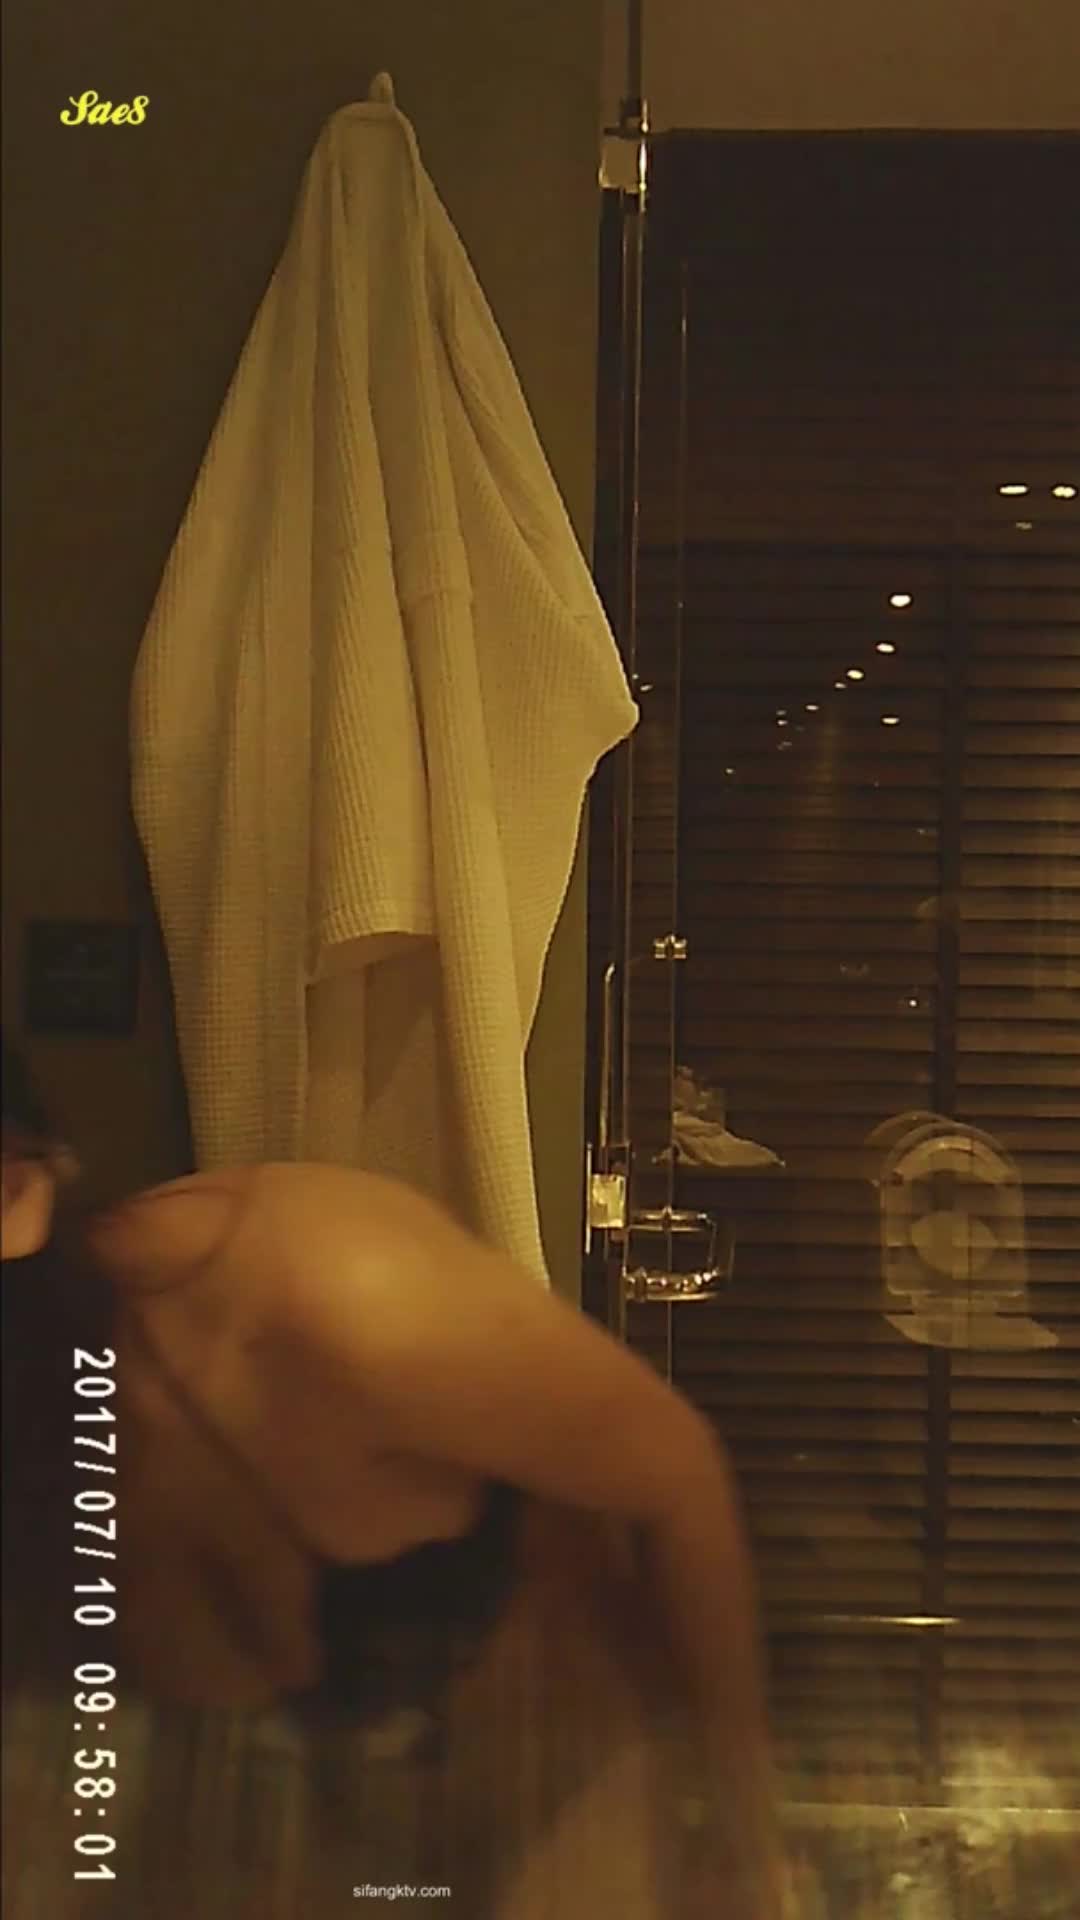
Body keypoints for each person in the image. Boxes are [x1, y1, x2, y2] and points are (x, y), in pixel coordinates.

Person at [2, 1035, 784, 1917]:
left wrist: (742, 1842)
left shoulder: (331, 1291)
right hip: (330, 1852)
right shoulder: (45, 1425)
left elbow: (678, 1473)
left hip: (570, 1809)